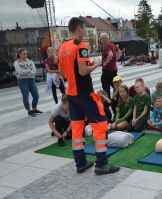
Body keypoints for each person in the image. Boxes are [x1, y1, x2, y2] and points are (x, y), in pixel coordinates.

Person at [58, 17, 119, 174]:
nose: (84, 31)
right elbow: (83, 71)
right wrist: (96, 64)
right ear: (79, 27)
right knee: (101, 124)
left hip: (71, 94)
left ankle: (81, 163)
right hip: (84, 93)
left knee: (77, 129)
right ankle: (101, 164)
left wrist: (85, 66)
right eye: (83, 28)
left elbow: (63, 74)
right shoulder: (80, 45)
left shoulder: (61, 46)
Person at [14, 48, 42, 116]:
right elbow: (19, 72)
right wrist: (29, 71)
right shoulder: (17, 62)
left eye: (26, 54)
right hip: (22, 81)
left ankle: (34, 108)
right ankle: (29, 110)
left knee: (36, 95)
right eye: (23, 54)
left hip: (32, 80)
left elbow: (34, 71)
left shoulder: (30, 61)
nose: (25, 56)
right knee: (25, 96)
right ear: (19, 54)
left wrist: (27, 72)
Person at [100, 33, 122, 99]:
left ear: (104, 38)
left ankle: (108, 102)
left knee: (106, 89)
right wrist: (115, 60)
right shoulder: (112, 45)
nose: (100, 40)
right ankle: (119, 101)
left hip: (107, 70)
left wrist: (105, 63)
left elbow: (110, 54)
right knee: (116, 87)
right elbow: (120, 52)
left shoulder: (106, 46)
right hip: (114, 70)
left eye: (101, 38)